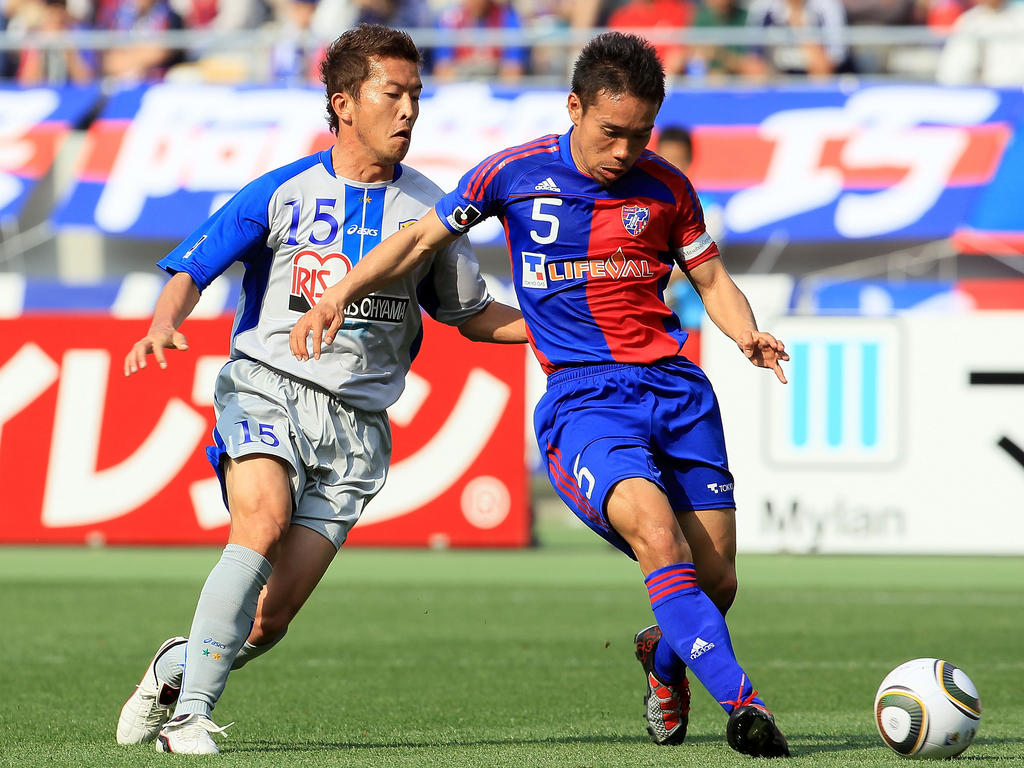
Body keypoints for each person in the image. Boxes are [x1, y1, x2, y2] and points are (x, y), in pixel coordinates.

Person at [290, 31, 791, 758]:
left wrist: (747, 333)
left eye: (640, 134)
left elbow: (710, 279)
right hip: (586, 401)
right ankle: (745, 706)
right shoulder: (512, 174)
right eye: (611, 132)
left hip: (679, 394)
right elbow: (418, 242)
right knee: (658, 538)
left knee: (716, 582)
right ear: (575, 108)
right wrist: (340, 291)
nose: (625, 151)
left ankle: (661, 656)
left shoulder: (669, 188)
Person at [116, 24, 526, 755]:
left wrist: (565, 332)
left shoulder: (433, 213)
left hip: (357, 428)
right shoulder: (283, 191)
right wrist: (161, 323)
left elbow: (471, 315)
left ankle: (176, 669)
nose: (409, 111)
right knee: (262, 521)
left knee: (268, 622)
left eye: (416, 96)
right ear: (343, 103)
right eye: (391, 94)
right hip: (267, 388)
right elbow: (192, 268)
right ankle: (189, 718)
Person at [935, 0, 1024, 87]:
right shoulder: (970, 21)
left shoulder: (1020, 17)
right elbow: (951, 72)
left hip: (1016, 90)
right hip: (981, 92)